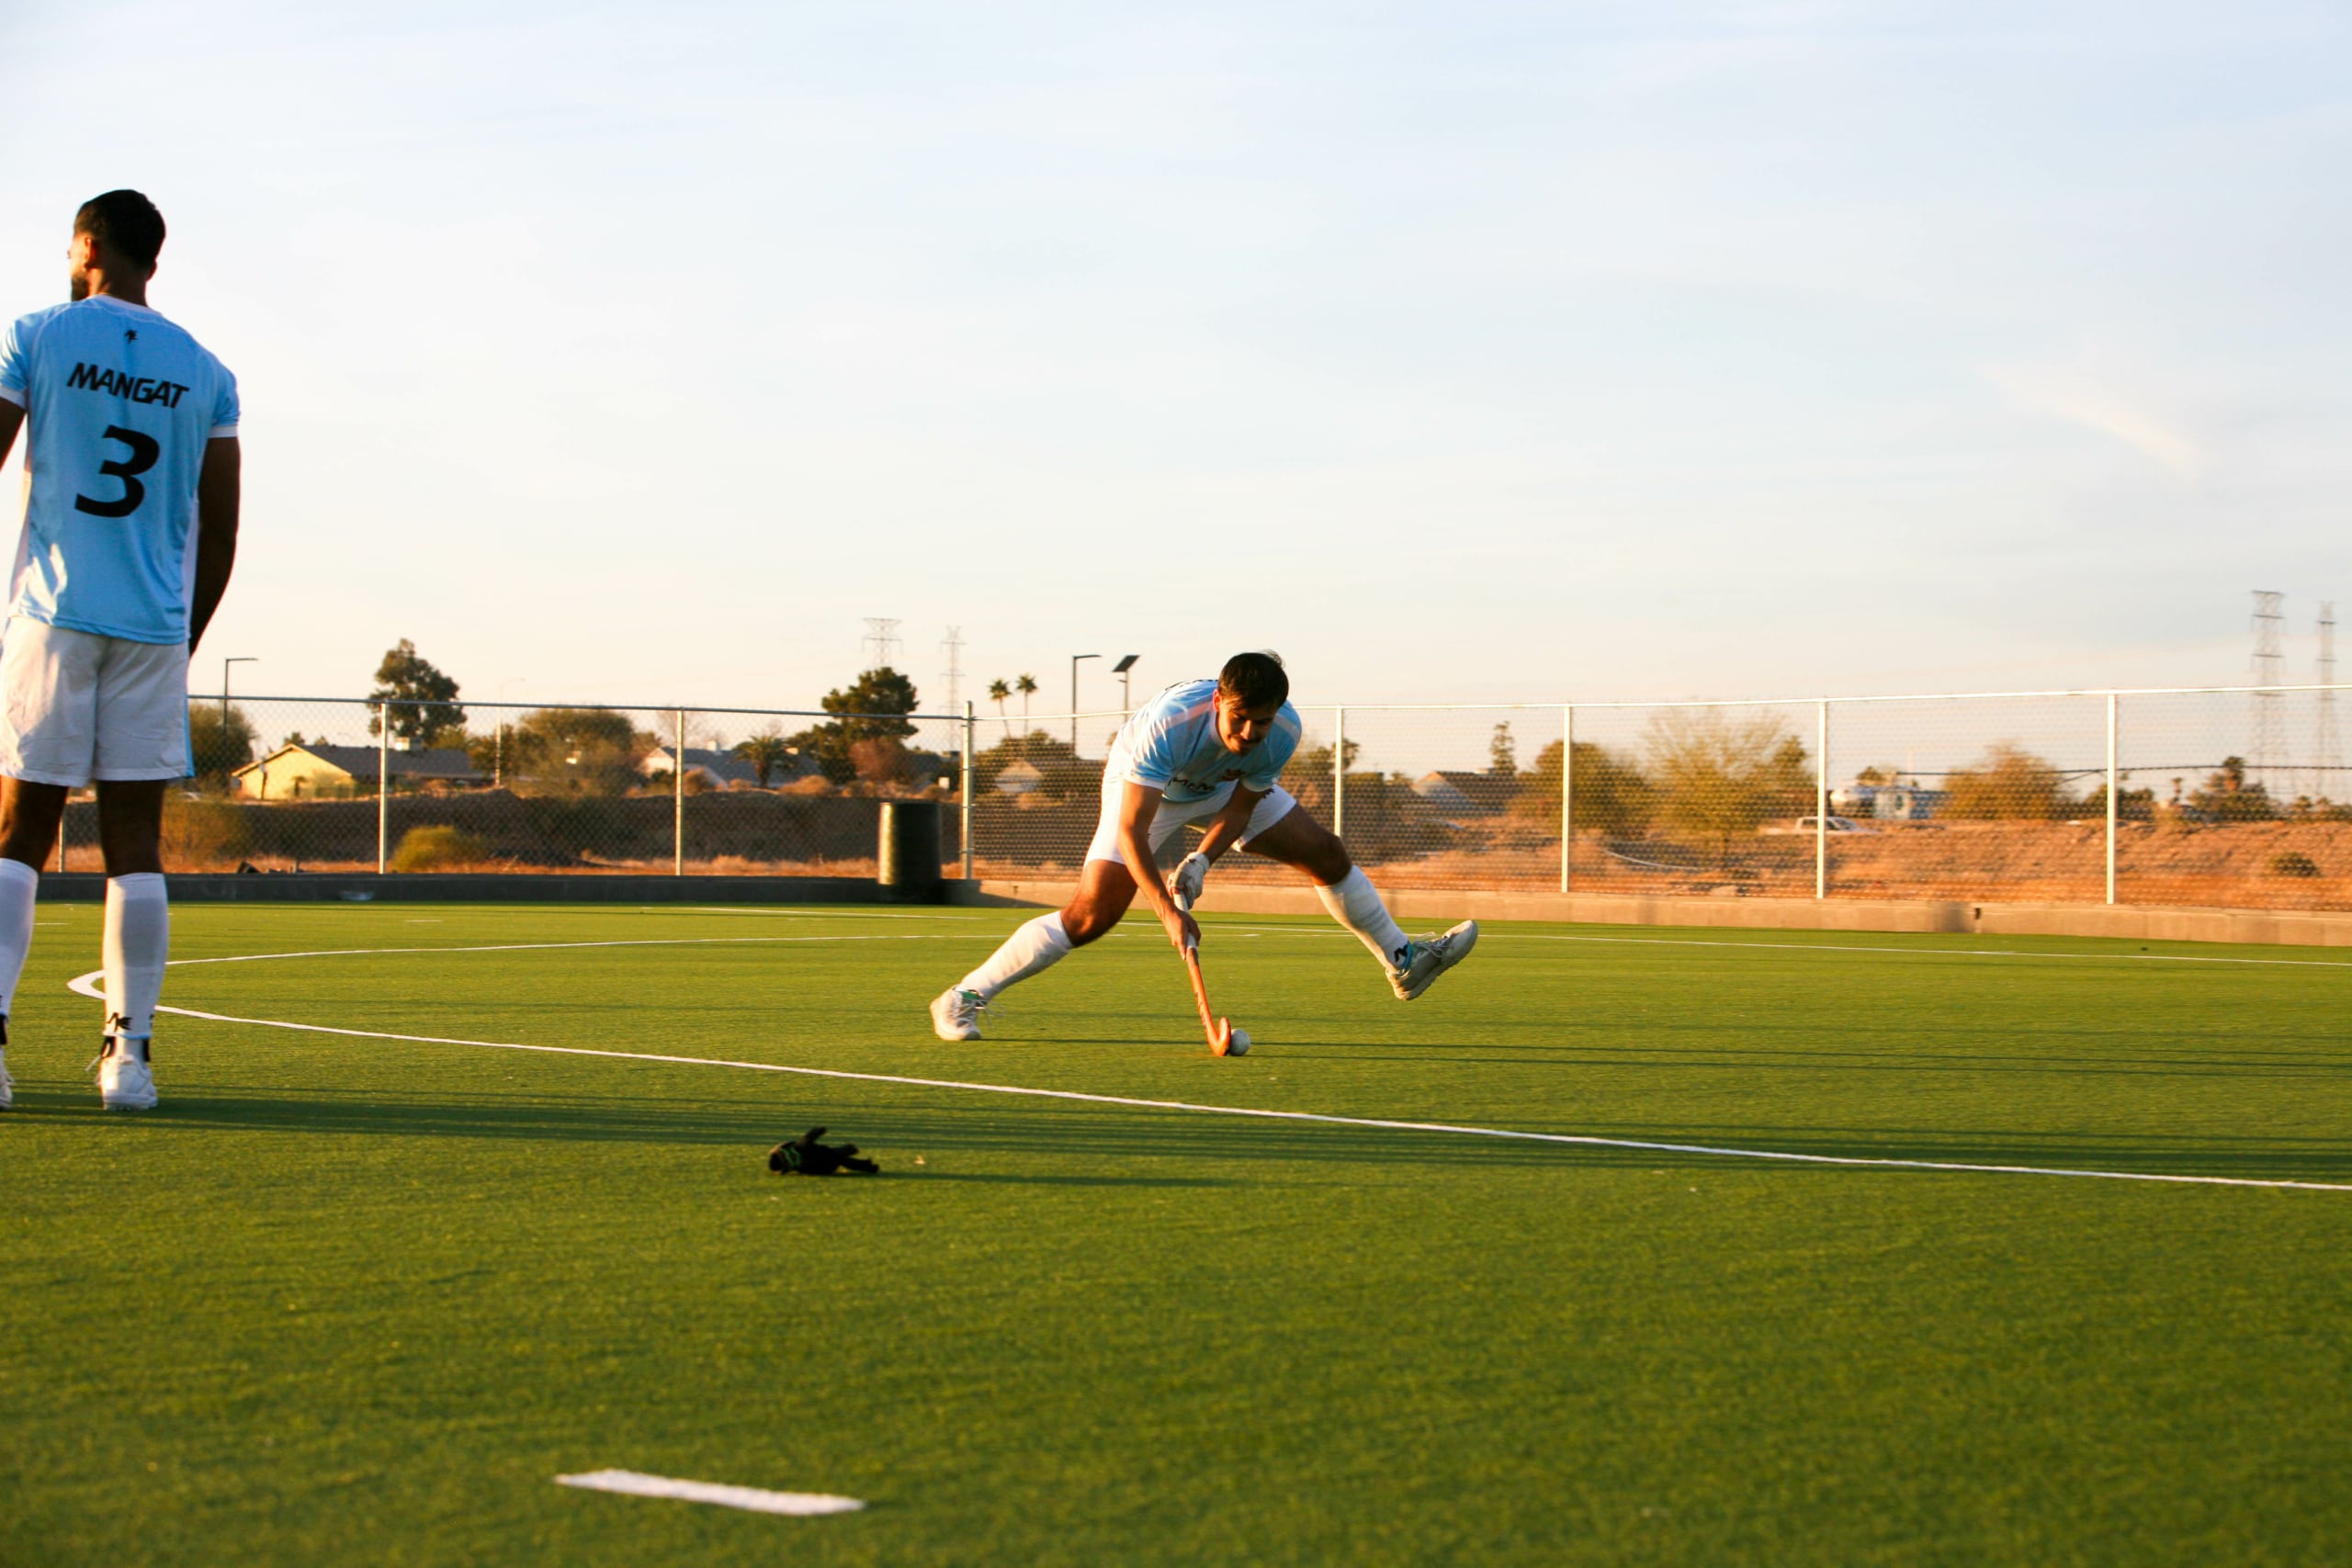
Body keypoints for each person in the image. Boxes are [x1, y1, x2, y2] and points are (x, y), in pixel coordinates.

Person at [0, 190, 242, 1111]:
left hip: (53, 615)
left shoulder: (39, 334)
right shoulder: (208, 371)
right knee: (135, 844)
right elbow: (220, 531)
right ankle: (128, 1060)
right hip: (151, 627)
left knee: (19, 832)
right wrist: (184, 640)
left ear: (89, 245)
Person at [931, 651, 1475, 1041]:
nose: (1248, 733)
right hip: (1149, 792)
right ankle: (964, 996)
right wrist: (1167, 911)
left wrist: (1201, 861)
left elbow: (1242, 806)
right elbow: (1132, 831)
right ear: (1219, 699)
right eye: (1239, 718)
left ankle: (1403, 960)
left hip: (1218, 789)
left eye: (1260, 723)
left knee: (1325, 853)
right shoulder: (1170, 725)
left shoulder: (1280, 733)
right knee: (1091, 916)